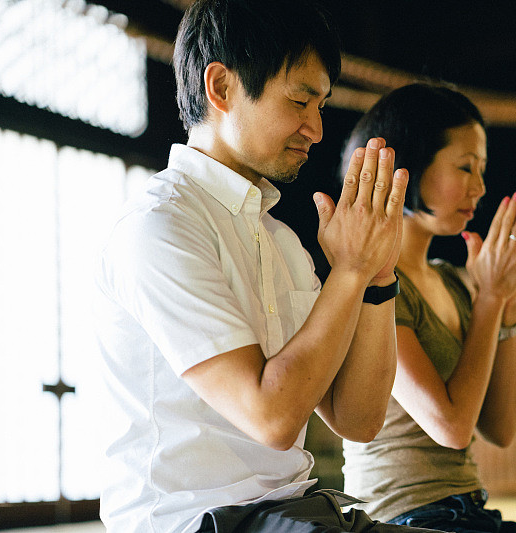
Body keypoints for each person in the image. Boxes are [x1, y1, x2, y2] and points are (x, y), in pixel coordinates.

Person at [93, 2, 441, 532]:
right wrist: (347, 271)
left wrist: (377, 277)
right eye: (301, 100)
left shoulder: (280, 241)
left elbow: (358, 419)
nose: (317, 128)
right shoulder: (158, 228)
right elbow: (272, 417)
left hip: (297, 512)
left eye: (321, 105)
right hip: (199, 521)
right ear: (222, 89)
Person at [340, 83, 516, 533]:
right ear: (406, 166)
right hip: (407, 521)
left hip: (469, 512)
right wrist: (487, 301)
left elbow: (500, 429)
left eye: (482, 170)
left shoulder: (450, 279)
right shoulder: (376, 284)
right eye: (465, 167)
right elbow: (451, 426)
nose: (480, 188)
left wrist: (504, 303)